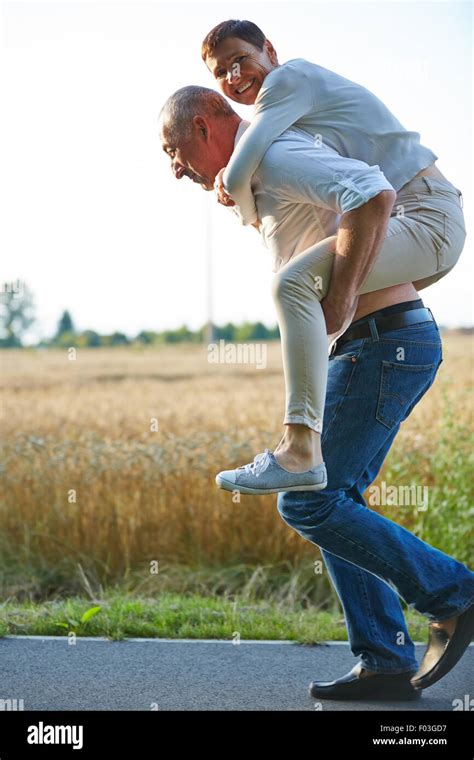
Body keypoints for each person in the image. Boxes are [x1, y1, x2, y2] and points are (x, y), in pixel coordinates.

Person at [159, 86, 474, 700]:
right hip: (374, 345)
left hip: (385, 343)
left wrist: (341, 298)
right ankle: (384, 658)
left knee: (309, 501)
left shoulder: (277, 153)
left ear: (203, 126)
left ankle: (454, 595)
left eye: (173, 150)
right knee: (331, 498)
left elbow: (370, 193)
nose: (174, 168)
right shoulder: (260, 169)